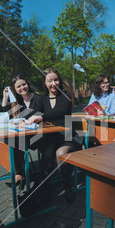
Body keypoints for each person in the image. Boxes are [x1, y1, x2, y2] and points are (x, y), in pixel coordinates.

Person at [28, 68, 81, 204]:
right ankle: (45, 188)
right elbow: (34, 113)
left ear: (60, 81)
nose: (53, 83)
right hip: (52, 137)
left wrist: (40, 117)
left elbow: (60, 112)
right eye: (49, 81)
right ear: (45, 83)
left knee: (60, 153)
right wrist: (26, 118)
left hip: (69, 136)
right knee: (46, 153)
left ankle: (67, 186)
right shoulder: (42, 99)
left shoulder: (66, 96)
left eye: (55, 79)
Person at [1, 74, 43, 187]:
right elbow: (5, 116)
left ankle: (29, 175)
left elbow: (41, 115)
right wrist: (5, 97)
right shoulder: (17, 101)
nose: (22, 88)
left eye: (24, 84)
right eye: (18, 87)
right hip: (25, 136)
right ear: (15, 89)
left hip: (40, 135)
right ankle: (19, 174)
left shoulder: (38, 98)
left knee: (18, 142)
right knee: (14, 142)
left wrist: (27, 121)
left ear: (27, 84)